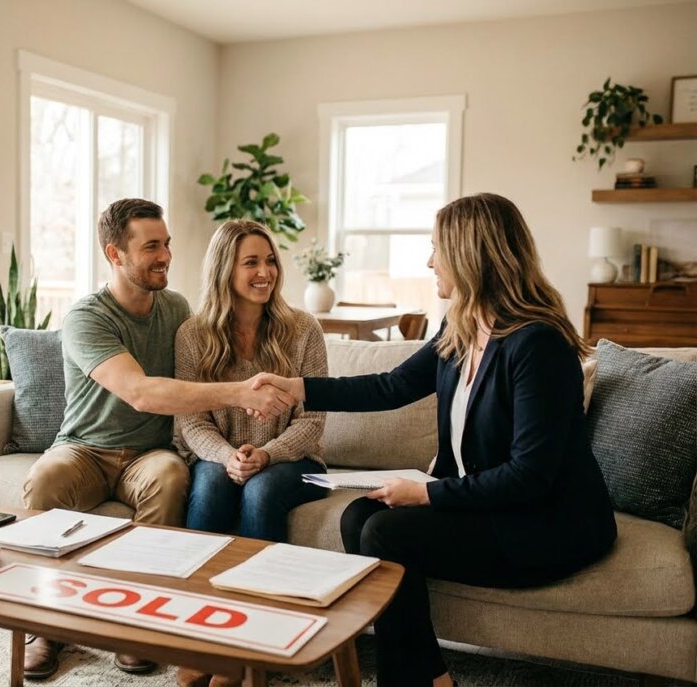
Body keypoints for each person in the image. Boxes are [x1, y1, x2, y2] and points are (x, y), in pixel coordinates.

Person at [251, 193, 617, 687]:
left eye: (436, 248)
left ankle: (418, 679)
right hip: (491, 506)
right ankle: (426, 674)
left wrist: (425, 492)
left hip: (545, 523)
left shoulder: (537, 345)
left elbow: (531, 476)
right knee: (361, 514)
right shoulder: (462, 325)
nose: (429, 261)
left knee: (386, 532)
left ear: (470, 255)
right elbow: (393, 385)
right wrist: (299, 388)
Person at [20, 198, 295, 680]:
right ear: (115, 253)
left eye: (166, 243)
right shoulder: (87, 316)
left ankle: (139, 626)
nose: (165, 254)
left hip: (149, 454)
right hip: (84, 447)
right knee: (45, 478)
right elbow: (141, 392)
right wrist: (240, 394)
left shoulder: (177, 310)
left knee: (171, 477)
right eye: (151, 247)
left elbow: (203, 374)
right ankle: (45, 626)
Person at [173, 219, 329, 687]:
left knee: (260, 494)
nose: (266, 272)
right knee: (210, 488)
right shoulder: (193, 335)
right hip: (221, 457)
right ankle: (201, 638)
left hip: (293, 461)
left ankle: (257, 642)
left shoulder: (303, 329)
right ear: (225, 270)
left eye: (270, 261)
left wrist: (268, 454)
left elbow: (313, 420)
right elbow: (191, 419)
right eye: (252, 263)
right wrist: (226, 455)